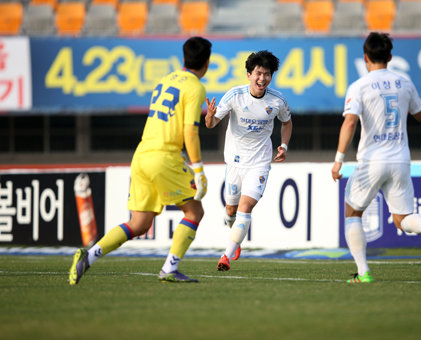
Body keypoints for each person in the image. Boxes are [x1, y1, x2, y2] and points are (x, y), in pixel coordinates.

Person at [69, 37, 212, 285]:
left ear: (183, 58)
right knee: (194, 210)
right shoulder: (195, 87)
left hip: (142, 155)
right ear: (207, 63)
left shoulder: (165, 80)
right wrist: (198, 169)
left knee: (139, 223)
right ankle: (169, 268)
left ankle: (88, 256)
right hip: (164, 156)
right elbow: (190, 131)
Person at [331, 32, 421, 283]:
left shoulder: (360, 86)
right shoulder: (404, 83)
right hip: (400, 160)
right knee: (402, 220)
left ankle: (363, 272)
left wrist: (339, 159)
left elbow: (349, 122)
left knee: (352, 214)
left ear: (365, 57)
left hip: (372, 160)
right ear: (390, 56)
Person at [205, 50, 293, 271]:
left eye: (267, 74)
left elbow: (287, 122)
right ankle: (233, 232)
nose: (262, 79)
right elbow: (212, 123)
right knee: (231, 212)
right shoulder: (235, 95)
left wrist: (283, 145)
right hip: (234, 162)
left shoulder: (278, 100)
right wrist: (209, 117)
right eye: (258, 73)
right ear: (249, 74)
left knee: (246, 207)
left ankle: (225, 256)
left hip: (260, 162)